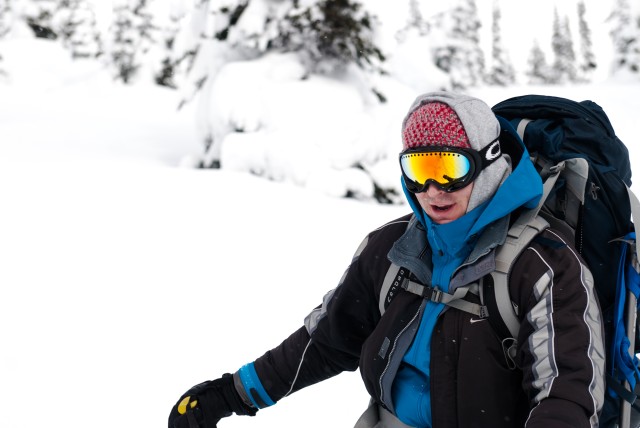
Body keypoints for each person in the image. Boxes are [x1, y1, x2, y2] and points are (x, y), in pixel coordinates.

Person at [168, 92, 606, 428]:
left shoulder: (544, 264)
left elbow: (565, 393)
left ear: (489, 162)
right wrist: (231, 394)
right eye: (419, 170)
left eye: (449, 167)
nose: (433, 189)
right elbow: (323, 342)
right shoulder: (393, 249)